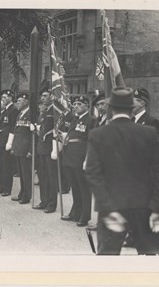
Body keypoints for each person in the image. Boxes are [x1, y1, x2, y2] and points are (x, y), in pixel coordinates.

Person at [85, 87, 159, 255]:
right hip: (143, 208)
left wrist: (107, 209)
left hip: (112, 208)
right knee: (152, 261)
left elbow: (93, 174)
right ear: (131, 109)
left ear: (111, 108)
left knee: (107, 260)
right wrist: (158, 209)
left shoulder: (98, 134)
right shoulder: (149, 133)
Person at [61, 95, 96, 226]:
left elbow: (91, 141)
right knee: (75, 187)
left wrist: (87, 159)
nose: (76, 106)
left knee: (84, 188)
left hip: (81, 158)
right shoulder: (74, 119)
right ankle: (75, 211)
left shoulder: (91, 120)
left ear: (87, 106)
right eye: (74, 104)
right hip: (70, 156)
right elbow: (72, 135)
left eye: (79, 104)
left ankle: (85, 215)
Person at [34, 87, 59, 213]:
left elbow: (57, 131)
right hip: (41, 148)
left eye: (45, 96)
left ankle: (51, 203)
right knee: (42, 176)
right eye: (42, 96)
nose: (42, 98)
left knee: (51, 177)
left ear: (52, 97)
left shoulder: (55, 111)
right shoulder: (43, 112)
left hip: (50, 149)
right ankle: (44, 200)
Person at [0, 90, 19, 196]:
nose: (3, 99)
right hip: (1, 140)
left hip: (6, 141)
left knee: (6, 165)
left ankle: (6, 188)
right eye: (2, 98)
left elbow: (12, 127)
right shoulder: (5, 110)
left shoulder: (13, 110)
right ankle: (1, 186)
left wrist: (9, 142)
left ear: (10, 98)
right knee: (1, 164)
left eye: (5, 97)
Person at [11, 93, 32, 204]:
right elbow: (16, 131)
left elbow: (31, 135)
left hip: (25, 149)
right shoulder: (20, 114)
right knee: (21, 173)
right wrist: (14, 146)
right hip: (19, 147)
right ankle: (22, 192)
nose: (17, 103)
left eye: (19, 101)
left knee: (26, 173)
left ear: (25, 101)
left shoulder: (30, 114)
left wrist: (30, 150)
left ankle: (27, 195)